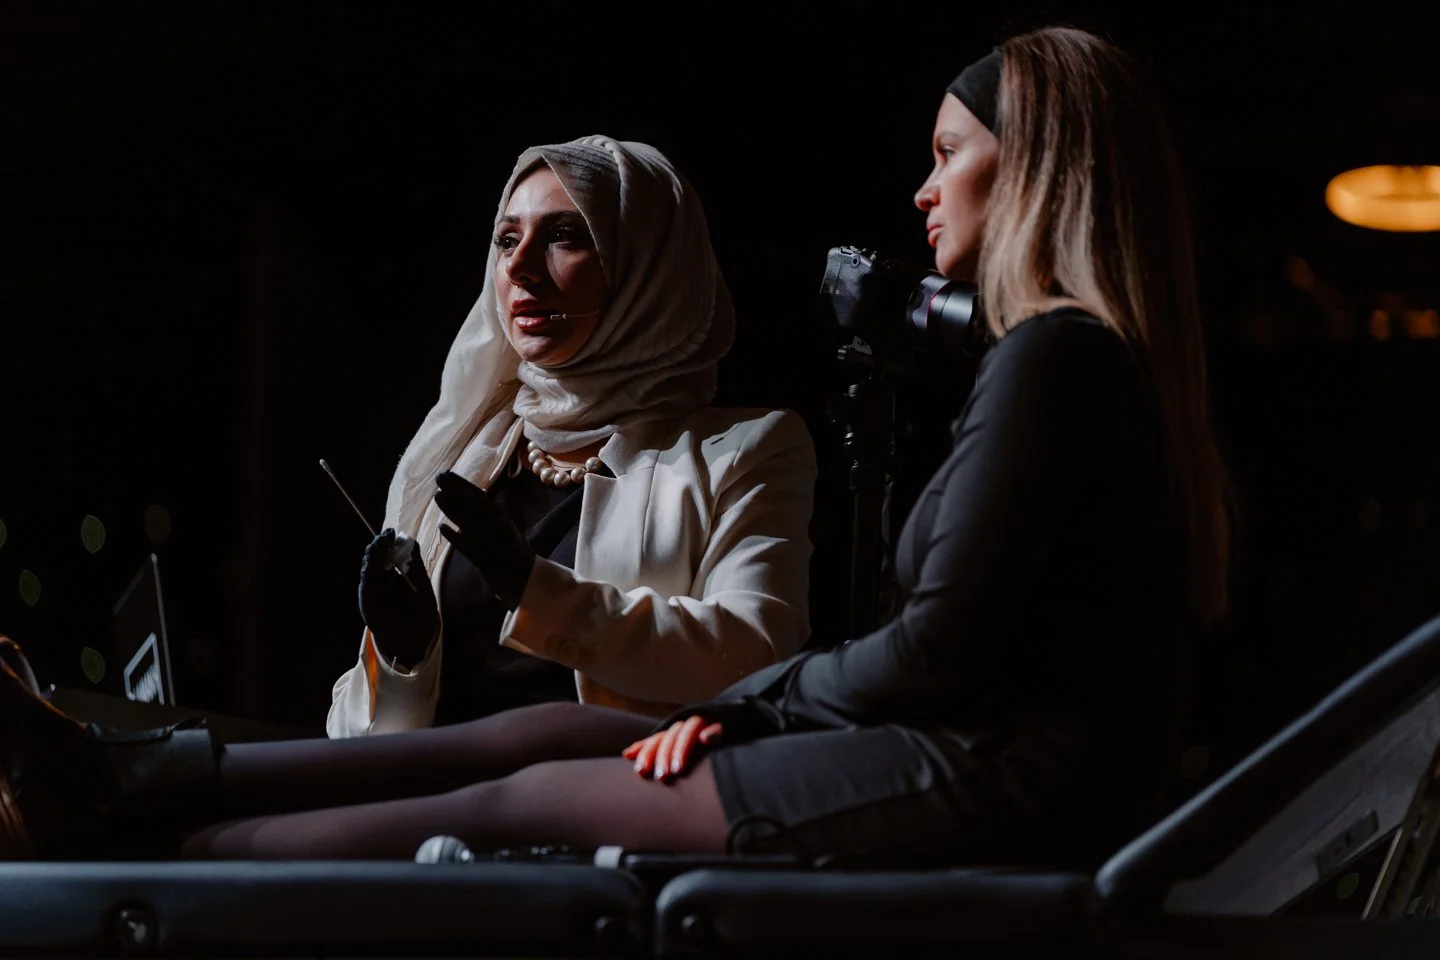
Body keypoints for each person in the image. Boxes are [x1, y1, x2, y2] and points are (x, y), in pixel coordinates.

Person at [0, 25, 1230, 869]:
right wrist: (405, 644)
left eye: (949, 155)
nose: (923, 189)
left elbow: (928, 649)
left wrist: (751, 711)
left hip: (989, 776)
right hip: (975, 753)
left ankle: (136, 844)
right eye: (505, 240)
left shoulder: (1048, 359)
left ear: (1040, 170)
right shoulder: (466, 445)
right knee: (526, 746)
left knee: (523, 793)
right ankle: (120, 780)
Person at [327, 135, 817, 734]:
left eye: (564, 235)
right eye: (507, 240)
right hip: (443, 784)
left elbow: (754, 653)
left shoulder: (746, 449)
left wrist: (537, 591)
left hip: (612, 784)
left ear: (646, 267)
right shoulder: (464, 448)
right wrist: (402, 661)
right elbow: (353, 733)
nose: (519, 266)